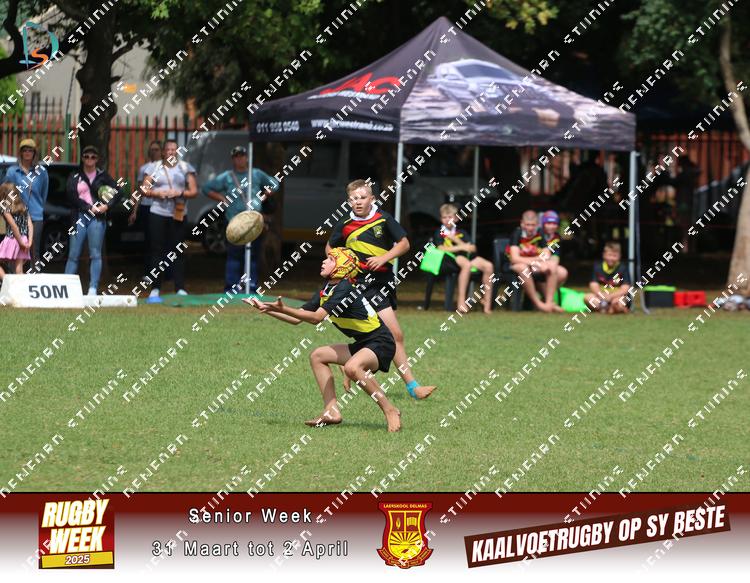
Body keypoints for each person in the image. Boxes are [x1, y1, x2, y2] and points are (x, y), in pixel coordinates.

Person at [244, 248, 401, 432]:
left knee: (352, 368)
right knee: (318, 356)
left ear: (342, 266)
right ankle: (331, 411)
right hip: (363, 344)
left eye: (331, 259)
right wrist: (268, 309)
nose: (324, 261)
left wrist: (283, 308)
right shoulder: (327, 288)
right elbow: (297, 318)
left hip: (381, 342)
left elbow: (316, 318)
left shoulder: (345, 287)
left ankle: (390, 410)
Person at [326, 179, 436, 400]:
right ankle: (413, 386)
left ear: (372, 199)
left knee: (382, 335)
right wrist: (339, 265)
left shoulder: (383, 219)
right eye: (354, 198)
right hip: (359, 286)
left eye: (362, 197)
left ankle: (351, 365)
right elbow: (331, 247)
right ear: (348, 201)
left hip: (382, 283)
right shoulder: (345, 223)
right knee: (392, 334)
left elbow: (404, 243)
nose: (358, 202)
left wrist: (384, 257)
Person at [201, 146, 278, 293]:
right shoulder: (227, 176)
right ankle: (231, 287)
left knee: (253, 255)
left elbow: (274, 183)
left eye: (242, 156)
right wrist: (222, 198)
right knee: (234, 255)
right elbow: (206, 188)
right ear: (233, 159)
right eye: (236, 156)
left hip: (253, 222)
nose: (240, 159)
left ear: (247, 158)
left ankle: (252, 286)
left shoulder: (256, 174)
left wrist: (266, 193)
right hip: (234, 222)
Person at [142, 139, 198, 302]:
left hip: (178, 213)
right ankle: (155, 288)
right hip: (158, 212)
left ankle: (180, 287)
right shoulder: (154, 167)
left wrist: (179, 193)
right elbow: (144, 189)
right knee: (156, 251)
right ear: (163, 152)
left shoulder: (185, 167)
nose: (171, 152)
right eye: (168, 150)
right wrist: (157, 193)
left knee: (177, 251)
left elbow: (194, 191)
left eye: (174, 150)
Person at [64, 146, 122, 295]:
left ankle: (93, 288)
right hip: (79, 217)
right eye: (86, 156)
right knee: (73, 254)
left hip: (97, 219)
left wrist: (107, 206)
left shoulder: (103, 175)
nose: (89, 159)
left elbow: (119, 192)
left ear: (97, 159)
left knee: (95, 253)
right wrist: (88, 207)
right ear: (82, 158)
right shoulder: (75, 175)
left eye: (93, 157)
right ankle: (65, 288)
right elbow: (71, 196)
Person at [433, 203, 494, 314]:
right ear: (441, 219)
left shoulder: (461, 232)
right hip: (449, 260)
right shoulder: (440, 232)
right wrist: (462, 247)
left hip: (468, 257)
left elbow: (472, 248)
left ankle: (487, 304)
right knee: (466, 264)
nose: (447, 220)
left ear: (456, 218)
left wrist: (456, 240)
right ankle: (461, 302)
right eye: (444, 217)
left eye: (450, 217)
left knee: (488, 266)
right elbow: (441, 248)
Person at [2, 138, 49, 267]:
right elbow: (6, 193)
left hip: (36, 216)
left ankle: (34, 276)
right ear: (20, 153)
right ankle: (15, 277)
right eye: (25, 150)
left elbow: (44, 194)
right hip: (16, 215)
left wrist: (37, 207)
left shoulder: (42, 172)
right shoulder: (12, 171)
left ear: (35, 153)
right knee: (15, 250)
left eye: (30, 150)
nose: (27, 153)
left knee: (34, 250)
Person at [507, 210, 563, 313]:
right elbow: (515, 259)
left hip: (531, 263)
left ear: (537, 224)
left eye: (533, 225)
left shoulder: (539, 232)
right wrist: (537, 261)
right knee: (523, 268)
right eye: (527, 225)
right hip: (514, 265)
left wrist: (539, 262)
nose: (530, 228)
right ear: (522, 224)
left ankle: (549, 302)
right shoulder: (517, 233)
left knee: (552, 266)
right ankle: (538, 304)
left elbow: (546, 254)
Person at [129, 139, 162, 276]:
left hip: (160, 208)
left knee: (161, 240)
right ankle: (148, 272)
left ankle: (164, 272)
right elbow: (139, 191)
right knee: (149, 240)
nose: (153, 152)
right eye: (152, 149)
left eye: (156, 149)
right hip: (146, 207)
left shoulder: (165, 167)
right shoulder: (144, 168)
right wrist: (134, 211)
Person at [584, 241, 631, 313]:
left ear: (619, 256)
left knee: (618, 302)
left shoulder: (623, 268)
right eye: (609, 255)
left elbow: (625, 289)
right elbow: (593, 285)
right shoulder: (597, 267)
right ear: (604, 255)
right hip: (601, 297)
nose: (611, 258)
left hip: (616, 297)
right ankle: (608, 309)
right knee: (588, 297)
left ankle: (612, 308)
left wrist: (610, 296)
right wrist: (601, 295)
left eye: (614, 256)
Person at [0, 183, 33, 279]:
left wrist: (20, 242)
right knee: (19, 270)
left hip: (12, 239)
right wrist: (29, 242)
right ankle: (20, 286)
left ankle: (6, 280)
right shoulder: (24, 206)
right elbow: (30, 225)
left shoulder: (5, 208)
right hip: (24, 239)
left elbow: (14, 226)